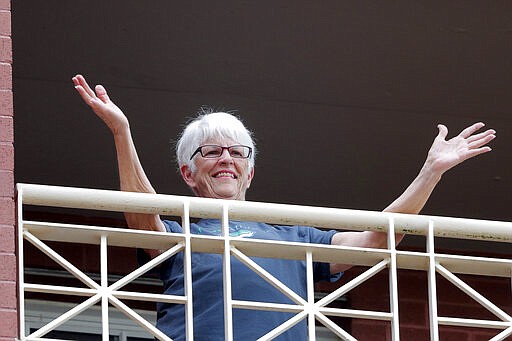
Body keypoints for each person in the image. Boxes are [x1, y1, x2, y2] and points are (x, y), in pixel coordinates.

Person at [72, 74, 496, 340]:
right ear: (188, 173)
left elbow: (379, 237)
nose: (226, 160)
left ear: (250, 173)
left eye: (238, 152)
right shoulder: (185, 229)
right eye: (212, 151)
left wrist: (431, 172)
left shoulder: (297, 236)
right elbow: (142, 217)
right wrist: (122, 133)